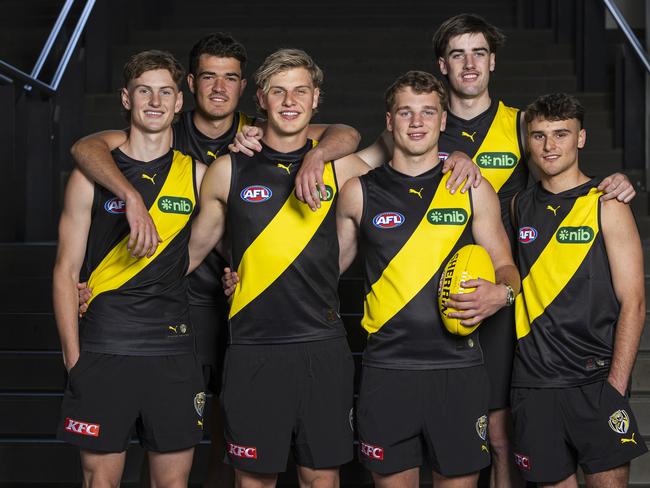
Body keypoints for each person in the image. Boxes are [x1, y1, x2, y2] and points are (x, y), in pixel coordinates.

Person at [339, 14, 637, 487]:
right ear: (442, 65)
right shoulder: (420, 123)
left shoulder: (520, 123)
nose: (470, 63)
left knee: (501, 435)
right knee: (488, 433)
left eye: (479, 52)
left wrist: (611, 182)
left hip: (510, 290)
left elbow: (560, 166)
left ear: (493, 61)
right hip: (436, 299)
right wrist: (312, 151)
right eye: (458, 53)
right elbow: (353, 166)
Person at [71, 33, 360, 487]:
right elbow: (88, 147)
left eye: (230, 78)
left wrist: (317, 159)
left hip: (253, 316)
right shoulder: (170, 125)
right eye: (209, 77)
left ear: (245, 89)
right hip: (177, 313)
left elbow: (372, 145)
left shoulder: (285, 145)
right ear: (191, 85)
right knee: (180, 442)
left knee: (220, 440)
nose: (219, 88)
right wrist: (107, 288)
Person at [188, 48, 375, 488]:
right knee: (253, 479)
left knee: (321, 477)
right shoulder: (227, 169)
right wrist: (108, 288)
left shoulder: (343, 167)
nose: (290, 101)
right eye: (278, 91)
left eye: (300, 91)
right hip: (253, 348)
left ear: (315, 100)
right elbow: (192, 252)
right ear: (261, 99)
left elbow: (409, 189)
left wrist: (454, 161)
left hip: (321, 346)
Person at [335, 70, 519, 488]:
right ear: (389, 121)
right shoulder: (358, 191)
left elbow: (507, 267)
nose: (417, 122)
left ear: (442, 122)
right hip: (387, 370)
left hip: (458, 369)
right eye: (406, 112)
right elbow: (324, 273)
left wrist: (500, 294)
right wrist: (246, 277)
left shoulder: (472, 187)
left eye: (427, 112)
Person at [53, 50, 206, 486]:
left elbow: (230, 244)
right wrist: (73, 359)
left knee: (172, 483)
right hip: (104, 347)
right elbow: (65, 270)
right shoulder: (90, 174)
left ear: (179, 102)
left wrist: (235, 277)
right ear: (126, 98)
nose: (154, 101)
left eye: (165, 92)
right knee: (100, 481)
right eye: (144, 91)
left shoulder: (199, 175)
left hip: (172, 351)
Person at [510, 92, 647, 487]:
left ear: (581, 138)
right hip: (534, 385)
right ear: (527, 141)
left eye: (561, 134)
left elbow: (635, 303)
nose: (550, 146)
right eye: (539, 136)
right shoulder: (519, 205)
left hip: (595, 382)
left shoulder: (606, 203)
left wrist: (615, 388)